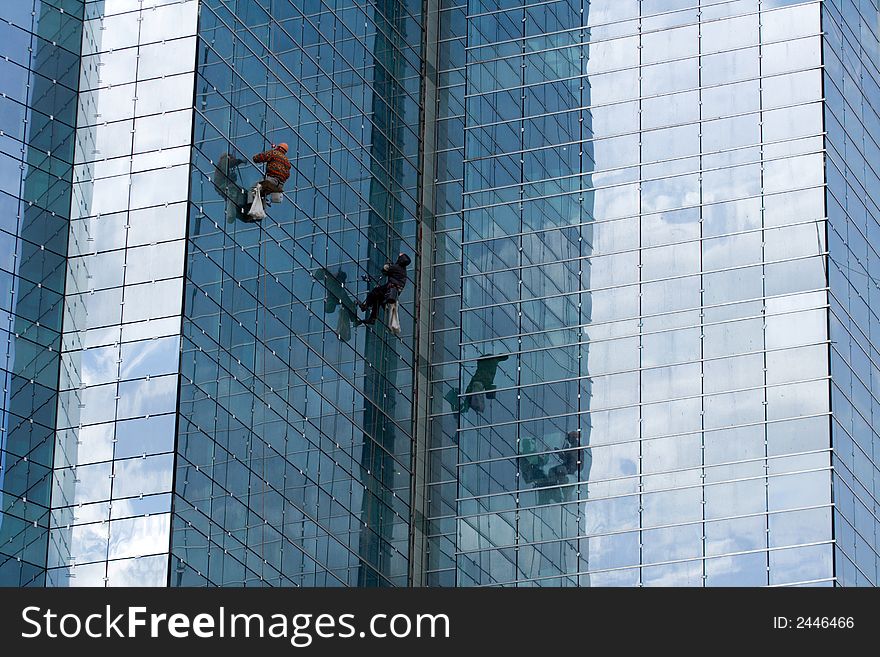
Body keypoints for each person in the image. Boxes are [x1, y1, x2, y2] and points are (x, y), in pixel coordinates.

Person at [359, 252, 411, 325]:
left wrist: (387, 265)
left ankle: (365, 305)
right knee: (378, 300)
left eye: (399, 257)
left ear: (401, 260)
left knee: (375, 291)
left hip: (391, 288)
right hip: (393, 290)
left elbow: (385, 270)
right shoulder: (402, 269)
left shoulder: (397, 267)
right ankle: (372, 318)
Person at [211, 153, 246, 223]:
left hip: (222, 186)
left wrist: (231, 177)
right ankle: (233, 213)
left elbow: (226, 174)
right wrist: (239, 161)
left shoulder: (221, 166)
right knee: (236, 193)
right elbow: (229, 164)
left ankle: (239, 208)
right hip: (222, 185)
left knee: (239, 193)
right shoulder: (224, 160)